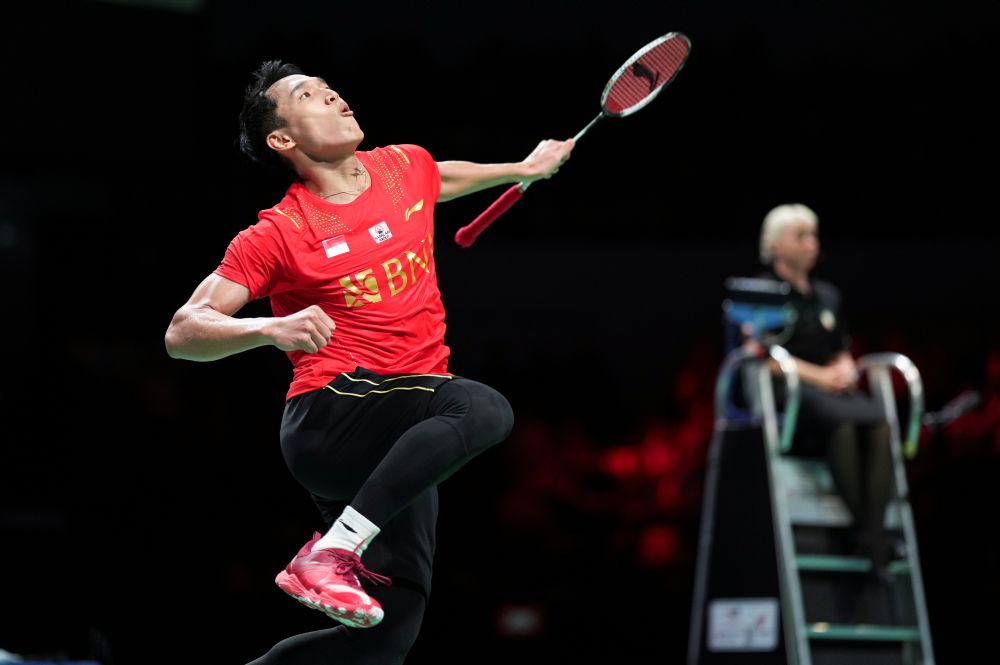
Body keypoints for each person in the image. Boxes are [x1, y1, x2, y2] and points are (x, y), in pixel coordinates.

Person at [164, 59, 575, 664]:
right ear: (282, 138)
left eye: (332, 90)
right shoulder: (278, 233)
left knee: (387, 637)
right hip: (335, 416)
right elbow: (183, 331)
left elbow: (443, 178)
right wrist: (270, 327)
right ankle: (331, 551)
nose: (335, 98)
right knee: (485, 408)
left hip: (405, 435)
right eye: (311, 96)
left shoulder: (400, 166)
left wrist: (523, 168)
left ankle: (332, 553)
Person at [753, 203, 897, 583]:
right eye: (800, 236)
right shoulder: (762, 292)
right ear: (775, 244)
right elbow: (763, 357)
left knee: (879, 423)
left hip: (831, 392)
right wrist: (822, 377)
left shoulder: (827, 296)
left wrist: (846, 368)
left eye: (813, 235)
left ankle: (869, 534)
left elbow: (839, 349)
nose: (811, 244)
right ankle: (874, 539)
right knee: (845, 422)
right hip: (793, 390)